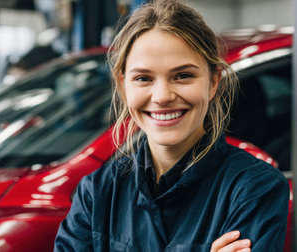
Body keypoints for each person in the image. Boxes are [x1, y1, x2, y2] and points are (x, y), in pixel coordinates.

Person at [54, 0, 289, 251]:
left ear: (213, 82)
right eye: (143, 78)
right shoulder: (97, 193)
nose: (162, 96)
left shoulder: (255, 189)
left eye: (183, 76)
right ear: (123, 86)